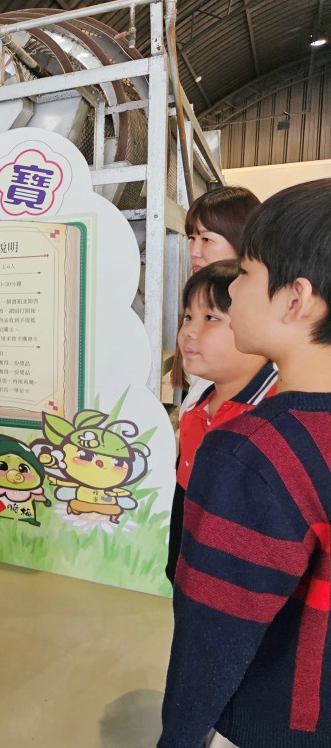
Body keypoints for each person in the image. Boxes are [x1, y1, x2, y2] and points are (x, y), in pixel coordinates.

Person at [159, 179, 331, 747]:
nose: (231, 299)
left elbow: (210, 643)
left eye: (247, 276)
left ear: (295, 298)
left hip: (280, 720)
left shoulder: (252, 453)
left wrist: (179, 738)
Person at [164, 260, 276, 583]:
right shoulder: (195, 409)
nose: (188, 331)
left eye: (210, 317)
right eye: (188, 316)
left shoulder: (270, 419)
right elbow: (184, 502)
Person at [171, 186, 261, 407]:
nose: (194, 251)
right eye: (191, 238)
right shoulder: (202, 290)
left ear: (240, 237)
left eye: (206, 240)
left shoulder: (256, 309)